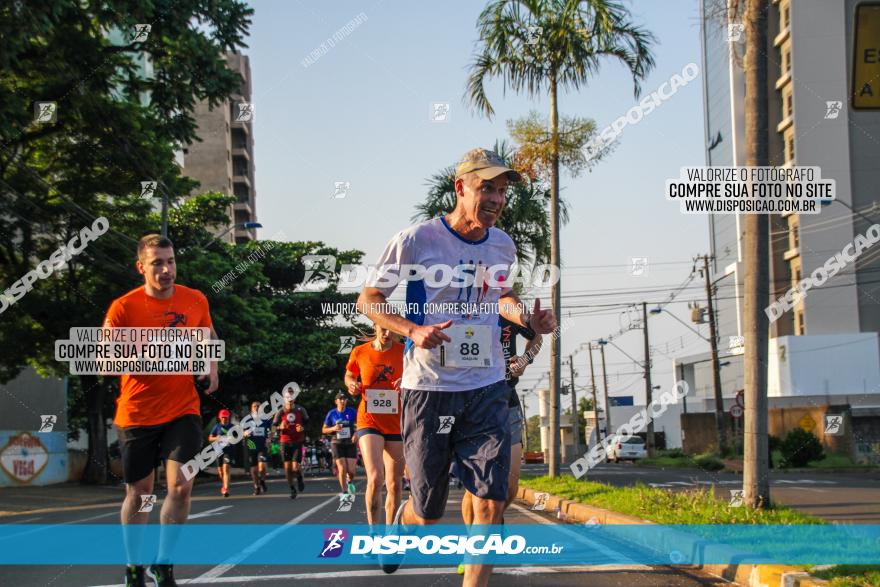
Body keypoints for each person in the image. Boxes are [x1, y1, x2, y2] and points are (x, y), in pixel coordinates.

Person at [356, 148, 556, 585]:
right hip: (429, 388)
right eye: (487, 188)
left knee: (491, 503)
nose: (497, 199)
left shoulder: (503, 245)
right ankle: (400, 531)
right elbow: (368, 300)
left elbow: (498, 298)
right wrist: (412, 330)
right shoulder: (416, 241)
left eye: (502, 191)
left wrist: (527, 319)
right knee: (427, 514)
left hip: (486, 386)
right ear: (460, 187)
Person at [105, 234, 219, 587]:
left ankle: (164, 563)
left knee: (181, 486)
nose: (166, 269)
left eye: (170, 261)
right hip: (137, 413)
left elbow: (207, 335)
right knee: (140, 493)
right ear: (141, 267)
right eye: (157, 263)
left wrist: (211, 366)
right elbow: (105, 359)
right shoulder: (123, 308)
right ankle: (134, 566)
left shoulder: (195, 299)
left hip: (183, 409)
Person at [457, 317, 543, 574]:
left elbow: (537, 336)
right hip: (474, 405)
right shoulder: (461, 308)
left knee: (510, 486)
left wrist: (525, 361)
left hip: (507, 402)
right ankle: (472, 546)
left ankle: (495, 518)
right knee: (477, 487)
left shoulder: (508, 308)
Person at [345, 325, 405, 533]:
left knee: (395, 484)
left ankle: (391, 532)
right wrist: (351, 384)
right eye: (383, 329)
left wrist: (405, 382)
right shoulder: (360, 352)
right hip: (369, 420)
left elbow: (419, 376)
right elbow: (349, 375)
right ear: (375, 327)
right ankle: (373, 531)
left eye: (392, 330)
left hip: (397, 422)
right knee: (375, 477)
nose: (388, 334)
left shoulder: (404, 351)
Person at [273, 390, 308, 499]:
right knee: (287, 468)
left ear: (294, 399)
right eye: (287, 398)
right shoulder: (280, 412)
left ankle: (299, 478)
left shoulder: (300, 410)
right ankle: (292, 487)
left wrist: (302, 428)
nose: (290, 400)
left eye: (291, 398)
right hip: (285, 442)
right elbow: (273, 426)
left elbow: (308, 423)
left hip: (297, 441)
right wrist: (279, 427)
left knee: (295, 467)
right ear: (284, 399)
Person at [322, 393, 358, 495]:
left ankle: (349, 480)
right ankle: (344, 491)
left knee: (351, 471)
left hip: (350, 442)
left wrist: (356, 433)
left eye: (344, 399)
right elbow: (324, 429)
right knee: (342, 468)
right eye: (340, 399)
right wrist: (333, 428)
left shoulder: (352, 411)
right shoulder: (331, 413)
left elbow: (359, 425)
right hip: (336, 442)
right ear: (336, 401)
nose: (342, 401)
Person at [243, 401, 272, 495]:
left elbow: (270, 431)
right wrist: (245, 433)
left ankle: (262, 481)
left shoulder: (266, 418)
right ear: (251, 408)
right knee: (254, 469)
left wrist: (269, 439)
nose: (256, 408)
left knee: (262, 467)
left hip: (262, 445)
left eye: (258, 406)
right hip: (251, 445)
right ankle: (256, 486)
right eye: (254, 406)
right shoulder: (247, 420)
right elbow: (242, 432)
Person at [208, 410, 235, 497]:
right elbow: (210, 438)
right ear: (220, 418)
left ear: (228, 418)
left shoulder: (232, 427)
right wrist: (217, 438)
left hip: (228, 451)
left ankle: (226, 488)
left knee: (226, 468)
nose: (224, 419)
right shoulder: (217, 427)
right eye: (223, 417)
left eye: (226, 417)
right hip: (219, 451)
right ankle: (224, 484)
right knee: (220, 471)